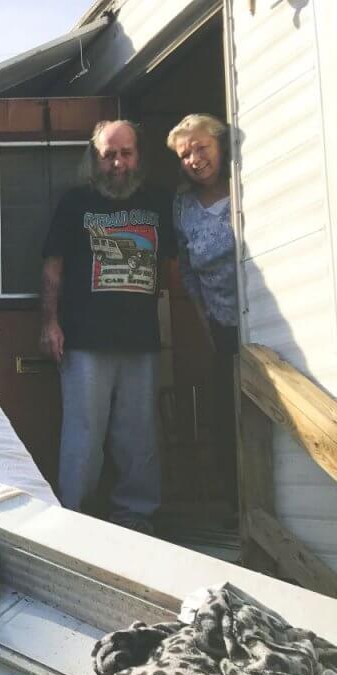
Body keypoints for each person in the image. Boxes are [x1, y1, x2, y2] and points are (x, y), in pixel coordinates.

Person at [40, 120, 175, 533]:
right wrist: (49, 323)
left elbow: (170, 270)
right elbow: (52, 268)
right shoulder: (75, 202)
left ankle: (137, 516)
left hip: (141, 340)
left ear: (138, 155)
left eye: (125, 153)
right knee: (84, 433)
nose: (117, 162)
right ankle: (75, 518)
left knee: (139, 435)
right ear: (95, 158)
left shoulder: (157, 201)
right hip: (84, 339)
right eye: (108, 154)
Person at [167, 114, 239, 515]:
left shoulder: (246, 184)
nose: (194, 159)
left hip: (262, 319)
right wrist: (205, 323)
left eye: (201, 148)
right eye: (185, 154)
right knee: (226, 415)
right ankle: (236, 504)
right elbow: (189, 273)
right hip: (222, 326)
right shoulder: (183, 205)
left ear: (220, 145)